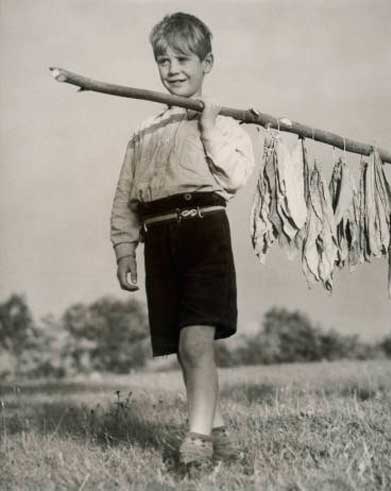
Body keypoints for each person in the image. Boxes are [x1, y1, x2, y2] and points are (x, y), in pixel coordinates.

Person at [110, 12, 255, 467]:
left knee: (196, 342)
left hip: (203, 231)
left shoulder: (225, 123)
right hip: (159, 239)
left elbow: (235, 176)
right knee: (183, 349)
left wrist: (209, 126)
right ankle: (218, 432)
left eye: (183, 59)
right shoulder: (144, 131)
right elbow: (126, 195)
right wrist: (124, 247)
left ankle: (195, 443)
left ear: (207, 62)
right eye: (163, 60)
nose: (172, 69)